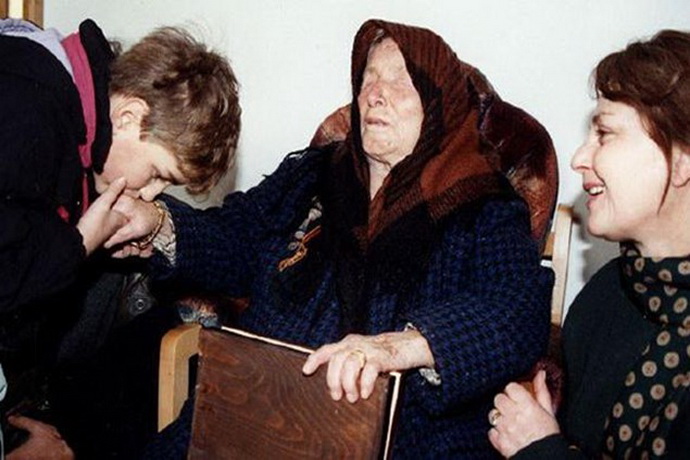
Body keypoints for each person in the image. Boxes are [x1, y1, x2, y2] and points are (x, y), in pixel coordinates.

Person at [109, 19, 553, 458]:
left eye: (400, 81)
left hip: (401, 437)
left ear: (439, 104)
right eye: (368, 78)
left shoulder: (484, 207)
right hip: (255, 409)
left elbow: (517, 308)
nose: (374, 93)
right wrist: (158, 222)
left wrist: (398, 347)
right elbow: (236, 237)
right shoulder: (312, 175)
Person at [0, 17, 240, 457]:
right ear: (129, 116)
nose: (149, 193)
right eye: (157, 174)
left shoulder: (71, 97)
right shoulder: (28, 109)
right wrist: (79, 245)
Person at [488, 30, 690, 459]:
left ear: (682, 160)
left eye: (605, 133)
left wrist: (541, 450)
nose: (579, 158)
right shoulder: (607, 295)